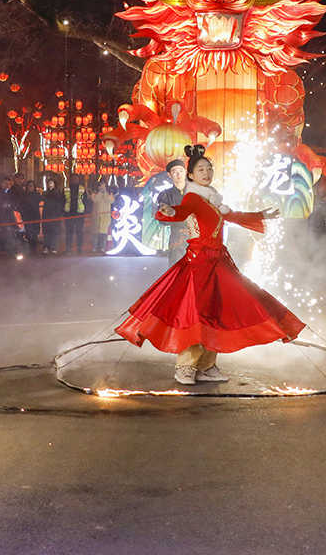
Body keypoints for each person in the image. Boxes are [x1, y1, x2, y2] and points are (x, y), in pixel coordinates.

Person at [116, 144, 304, 385]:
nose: (206, 172)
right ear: (191, 175)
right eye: (200, 169)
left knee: (216, 312)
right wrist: (168, 210)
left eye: (209, 168)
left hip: (217, 263)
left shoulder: (213, 199)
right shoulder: (194, 197)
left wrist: (261, 215)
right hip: (197, 266)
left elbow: (232, 215)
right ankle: (185, 366)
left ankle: (206, 365)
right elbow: (180, 211)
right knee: (195, 314)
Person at [157, 158, 189, 263]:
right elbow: (162, 218)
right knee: (177, 270)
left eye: (180, 171)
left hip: (197, 237)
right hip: (177, 239)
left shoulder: (197, 191)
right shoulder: (165, 195)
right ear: (169, 175)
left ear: (186, 172)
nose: (178, 174)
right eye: (174, 172)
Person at [64, 178, 88, 254]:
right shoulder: (66, 189)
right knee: (69, 232)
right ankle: (68, 249)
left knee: (79, 232)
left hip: (79, 213)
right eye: (73, 179)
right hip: (69, 213)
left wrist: (85, 211)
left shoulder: (82, 189)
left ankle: (79, 248)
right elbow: (63, 199)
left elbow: (86, 200)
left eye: (76, 179)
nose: (74, 180)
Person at [90, 181, 115, 253]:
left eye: (103, 185)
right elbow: (95, 200)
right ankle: (94, 247)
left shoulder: (109, 193)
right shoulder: (95, 193)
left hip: (105, 217)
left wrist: (105, 193)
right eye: (100, 185)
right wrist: (100, 193)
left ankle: (102, 247)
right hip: (96, 216)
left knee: (104, 233)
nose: (102, 187)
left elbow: (110, 200)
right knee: (95, 233)